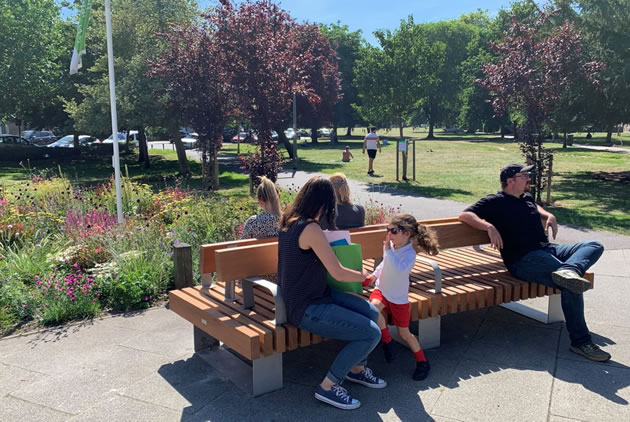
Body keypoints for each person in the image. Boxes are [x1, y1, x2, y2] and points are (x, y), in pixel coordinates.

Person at [458, 163, 610, 362]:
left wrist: (549, 215)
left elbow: (536, 207)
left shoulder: (526, 197)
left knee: (593, 245)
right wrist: (489, 227)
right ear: (510, 180)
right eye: (524, 176)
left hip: (547, 250)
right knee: (571, 284)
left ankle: (569, 269)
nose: (529, 178)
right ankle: (581, 342)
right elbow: (465, 214)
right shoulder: (495, 201)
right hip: (523, 259)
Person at [277, 176, 386, 410]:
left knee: (372, 313)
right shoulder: (310, 228)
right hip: (307, 307)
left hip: (318, 294)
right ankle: (327, 386)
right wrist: (364, 276)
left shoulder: (290, 222)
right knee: (371, 333)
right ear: (325, 203)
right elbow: (337, 272)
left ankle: (356, 369)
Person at [365, 214, 440, 380]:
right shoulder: (391, 247)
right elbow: (384, 265)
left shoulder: (409, 254)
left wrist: (387, 251)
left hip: (398, 298)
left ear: (407, 234)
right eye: (388, 230)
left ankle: (422, 361)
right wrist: (373, 276)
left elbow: (399, 269)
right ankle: (387, 341)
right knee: (373, 307)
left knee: (405, 333)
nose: (389, 234)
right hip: (383, 290)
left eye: (394, 231)